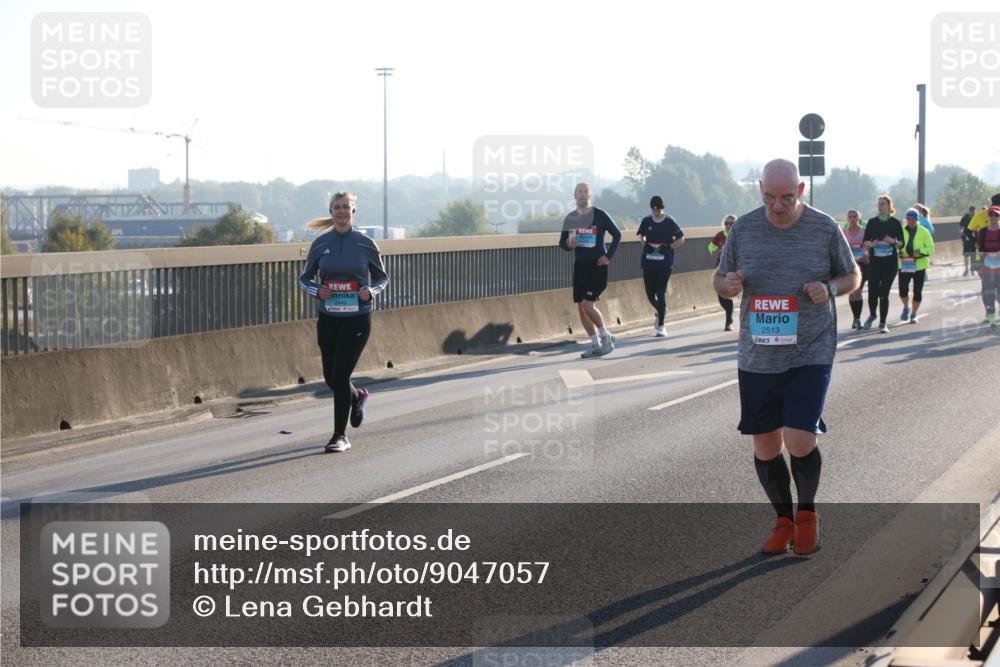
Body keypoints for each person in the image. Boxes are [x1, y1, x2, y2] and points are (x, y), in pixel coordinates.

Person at [714, 159, 860, 556]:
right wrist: (727, 285)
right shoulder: (743, 228)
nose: (777, 206)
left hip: (810, 348)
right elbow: (720, 280)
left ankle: (808, 516)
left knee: (798, 438)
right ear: (760, 188)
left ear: (801, 191)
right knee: (765, 444)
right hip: (758, 354)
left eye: (785, 198)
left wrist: (828, 288)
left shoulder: (824, 227)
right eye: (769, 198)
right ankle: (783, 521)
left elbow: (852, 276)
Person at [299, 192, 388, 453]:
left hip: (357, 317)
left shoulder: (365, 243)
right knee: (331, 377)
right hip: (329, 317)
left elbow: (382, 278)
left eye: (345, 207)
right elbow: (305, 279)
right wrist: (318, 291)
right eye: (336, 208)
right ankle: (357, 396)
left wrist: (370, 291)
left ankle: (340, 436)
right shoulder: (320, 243)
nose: (341, 211)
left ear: (353, 211)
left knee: (340, 375)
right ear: (331, 211)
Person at [559, 182, 622, 358]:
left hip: (598, 265)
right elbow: (562, 243)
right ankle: (595, 344)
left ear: (590, 195)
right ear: (575, 195)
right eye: (579, 192)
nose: (582, 194)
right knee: (581, 308)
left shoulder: (600, 215)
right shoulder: (571, 218)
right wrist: (568, 244)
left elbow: (617, 234)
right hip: (580, 266)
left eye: (585, 191)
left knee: (588, 305)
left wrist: (608, 256)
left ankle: (605, 337)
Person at [636, 195, 685, 337]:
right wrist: (645, 243)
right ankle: (662, 309)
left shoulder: (669, 221)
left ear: (663, 209)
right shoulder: (646, 220)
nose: (656, 213)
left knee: (660, 291)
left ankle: (661, 326)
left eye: (658, 210)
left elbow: (682, 238)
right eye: (654, 210)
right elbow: (642, 236)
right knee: (650, 294)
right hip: (648, 261)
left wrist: (669, 247)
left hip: (664, 262)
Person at [862, 195, 905, 333]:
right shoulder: (872, 222)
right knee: (873, 290)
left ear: (889, 207)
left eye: (883, 204)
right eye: (879, 204)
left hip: (890, 262)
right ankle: (873, 314)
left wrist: (892, 241)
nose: (880, 206)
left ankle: (883, 323)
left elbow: (901, 244)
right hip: (875, 262)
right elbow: (865, 242)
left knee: (884, 293)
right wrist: (872, 244)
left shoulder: (895, 223)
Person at [897, 208, 935, 324]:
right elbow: (895, 245)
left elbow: (931, 248)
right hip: (904, 264)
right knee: (902, 290)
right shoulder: (901, 231)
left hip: (919, 265)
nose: (911, 221)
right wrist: (899, 252)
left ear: (917, 219)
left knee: (917, 291)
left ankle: (913, 314)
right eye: (909, 219)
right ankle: (906, 307)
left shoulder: (924, 231)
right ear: (906, 219)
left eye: (914, 219)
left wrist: (921, 251)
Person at [708, 214, 737, 331]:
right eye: (726, 223)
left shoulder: (738, 236)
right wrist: (717, 252)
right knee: (721, 297)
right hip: (720, 269)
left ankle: (728, 321)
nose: (729, 226)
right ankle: (729, 311)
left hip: (734, 270)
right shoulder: (720, 236)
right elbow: (711, 247)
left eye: (732, 223)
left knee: (728, 295)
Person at [841, 209, 869, 329]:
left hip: (862, 264)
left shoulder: (864, 232)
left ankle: (858, 319)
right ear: (847, 219)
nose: (852, 219)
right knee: (852, 293)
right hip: (849, 265)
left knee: (858, 291)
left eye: (855, 216)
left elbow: (868, 246)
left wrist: (865, 255)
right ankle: (855, 318)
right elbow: (840, 249)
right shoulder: (843, 233)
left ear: (859, 218)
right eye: (850, 217)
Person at [976, 206, 1000, 330]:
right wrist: (978, 266)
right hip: (987, 268)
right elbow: (979, 249)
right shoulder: (983, 231)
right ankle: (992, 322)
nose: (993, 218)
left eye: (996, 215)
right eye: (991, 215)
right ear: (988, 217)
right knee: (988, 296)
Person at [960, 205, 978, 276]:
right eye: (971, 210)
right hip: (966, 238)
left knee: (973, 254)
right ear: (969, 210)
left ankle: (972, 268)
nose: (972, 212)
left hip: (974, 238)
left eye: (973, 210)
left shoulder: (977, 217)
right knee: (966, 255)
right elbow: (961, 226)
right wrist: (961, 233)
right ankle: (966, 269)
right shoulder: (965, 218)